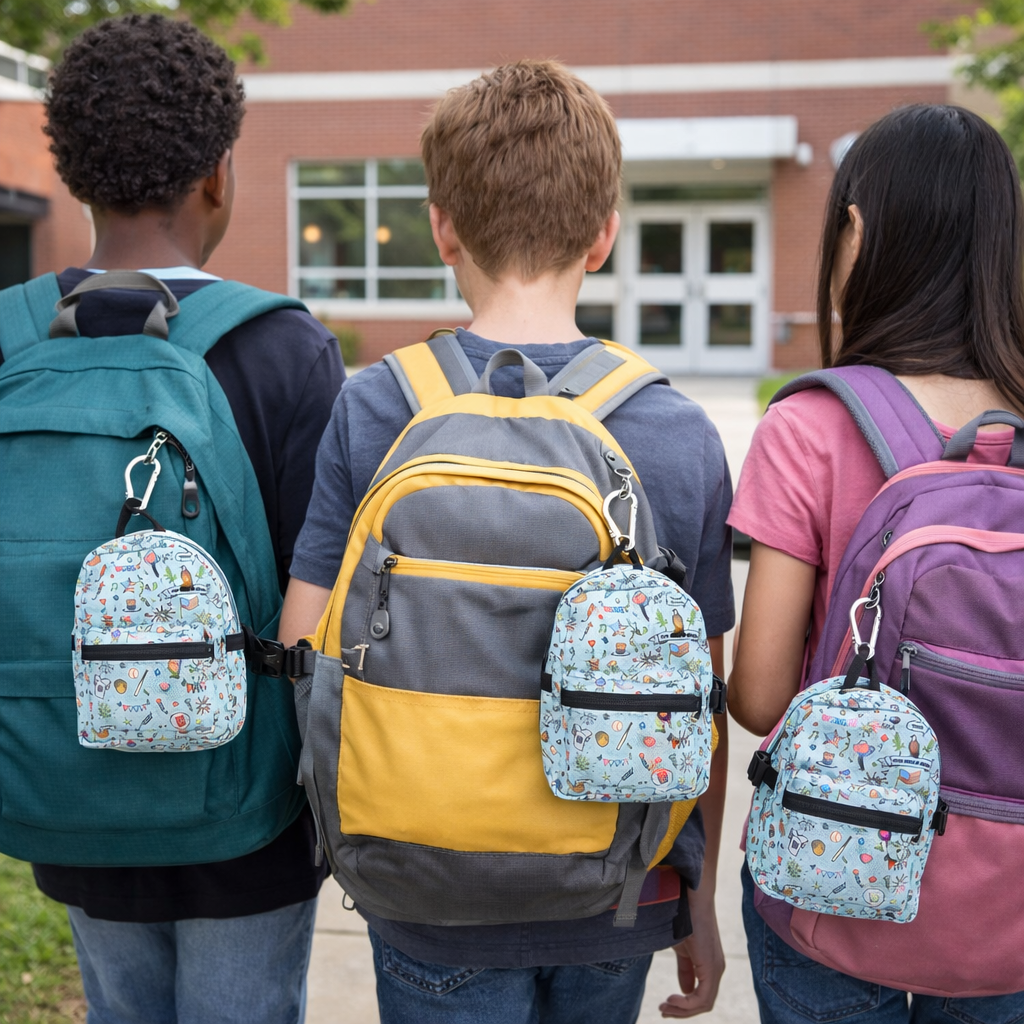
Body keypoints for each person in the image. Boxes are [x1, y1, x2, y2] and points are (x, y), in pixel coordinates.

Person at [279, 60, 734, 1024]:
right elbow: (704, 704)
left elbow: (305, 643)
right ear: (604, 234)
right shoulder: (675, 430)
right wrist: (694, 891)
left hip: (423, 886)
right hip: (614, 885)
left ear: (441, 225)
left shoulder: (376, 406)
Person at [21, 16, 344, 1023]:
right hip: (245, 808)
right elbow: (318, 603)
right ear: (218, 174)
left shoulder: (11, 337)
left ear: (73, 174)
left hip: (68, 783)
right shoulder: (286, 348)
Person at [728, 104, 1024, 1023]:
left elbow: (763, 696)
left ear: (854, 228)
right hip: (1008, 906)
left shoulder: (809, 427)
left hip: (831, 883)